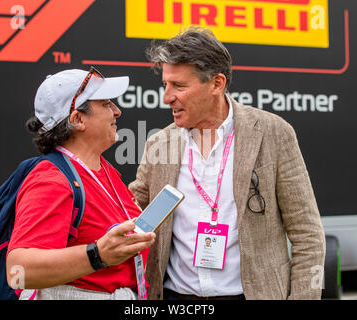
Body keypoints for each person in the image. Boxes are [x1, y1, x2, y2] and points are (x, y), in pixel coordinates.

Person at [129, 27, 326, 300]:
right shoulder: (159, 143)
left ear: (216, 84)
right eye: (165, 84)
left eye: (179, 86)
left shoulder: (273, 132)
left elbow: (308, 236)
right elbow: (131, 213)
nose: (167, 97)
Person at [6, 67, 155, 300]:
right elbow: (18, 272)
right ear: (77, 119)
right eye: (106, 103)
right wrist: (98, 254)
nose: (117, 111)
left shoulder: (104, 170)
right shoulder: (51, 179)